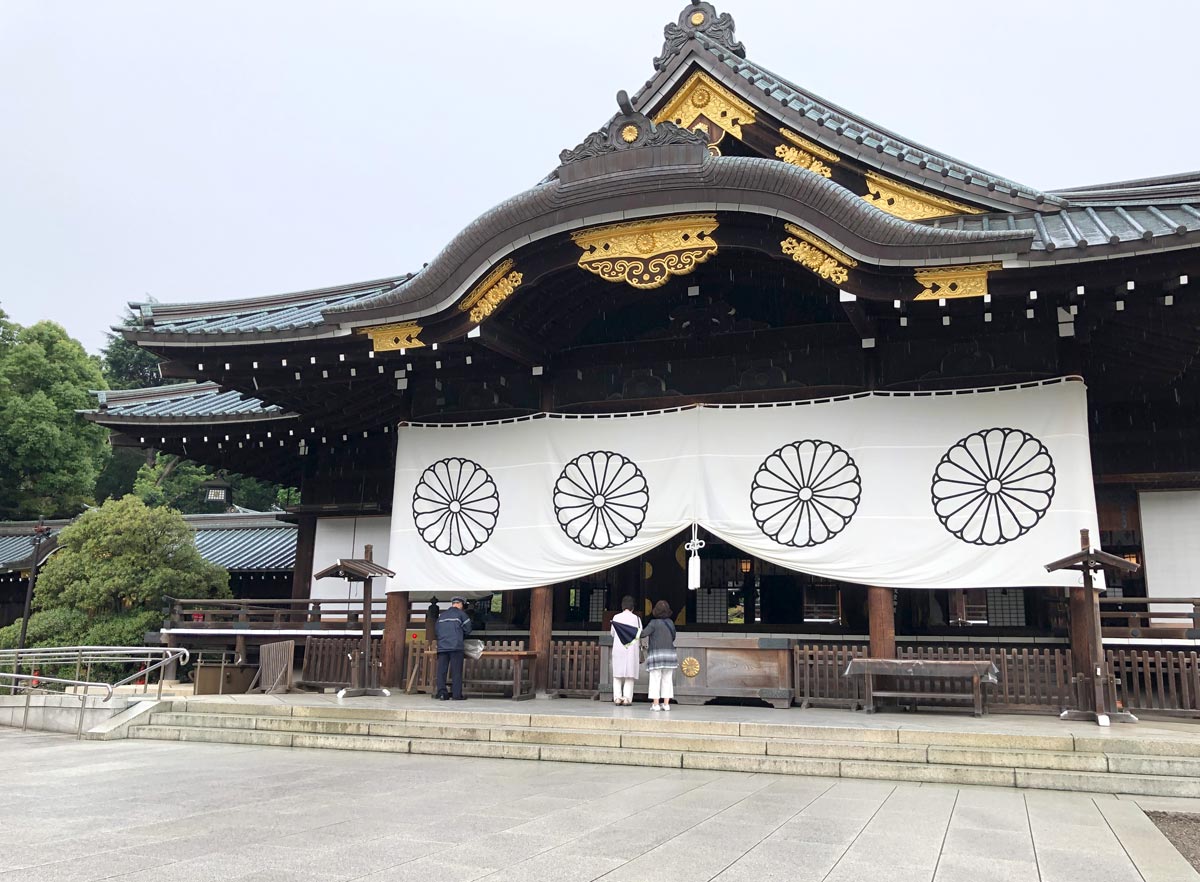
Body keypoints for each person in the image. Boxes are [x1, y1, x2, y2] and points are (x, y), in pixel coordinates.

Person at [435, 596, 473, 700]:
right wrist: (460, 636)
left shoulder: (442, 616)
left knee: (441, 671)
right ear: (461, 604)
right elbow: (468, 629)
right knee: (456, 671)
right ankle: (456, 695)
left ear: (452, 604)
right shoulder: (462, 614)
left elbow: (437, 630)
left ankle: (442, 693)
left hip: (442, 646)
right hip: (456, 646)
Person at [643, 599, 678, 711]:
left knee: (655, 679)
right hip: (670, 655)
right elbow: (673, 637)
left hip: (656, 655)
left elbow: (643, 634)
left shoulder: (653, 623)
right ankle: (666, 704)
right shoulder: (671, 623)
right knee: (667, 679)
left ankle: (656, 704)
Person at [609, 595, 642, 706]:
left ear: (622, 606)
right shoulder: (636, 619)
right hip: (631, 649)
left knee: (617, 675)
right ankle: (627, 698)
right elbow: (639, 634)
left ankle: (617, 698)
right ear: (633, 607)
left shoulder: (616, 617)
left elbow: (612, 633)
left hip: (619, 648)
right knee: (630, 675)